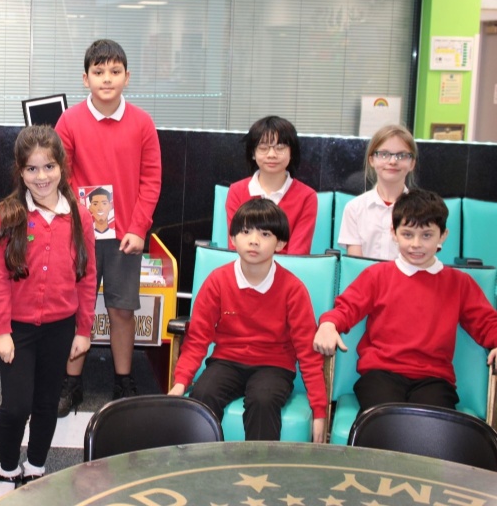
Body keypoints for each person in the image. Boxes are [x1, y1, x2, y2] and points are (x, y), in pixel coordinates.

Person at [314, 189, 497, 413]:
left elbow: (486, 322)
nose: (416, 244)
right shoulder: (377, 275)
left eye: (427, 235)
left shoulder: (459, 283)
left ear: (443, 235)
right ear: (394, 233)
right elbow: (346, 308)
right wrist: (329, 324)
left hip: (434, 379)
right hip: (380, 373)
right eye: (408, 234)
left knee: (431, 426)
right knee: (385, 420)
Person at [0, 126, 96, 499]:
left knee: (47, 403)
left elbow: (87, 275)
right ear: (20, 171)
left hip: (60, 328)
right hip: (17, 330)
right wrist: (1, 330)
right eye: (32, 169)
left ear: (62, 166)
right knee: (16, 406)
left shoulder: (80, 216)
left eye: (49, 166)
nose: (41, 176)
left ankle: (35, 468)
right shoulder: (8, 215)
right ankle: (7, 470)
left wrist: (84, 329)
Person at [54, 38, 161, 414]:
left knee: (122, 309)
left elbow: (151, 180)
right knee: (75, 308)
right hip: (80, 234)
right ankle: (71, 383)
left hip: (125, 237)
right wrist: (75, 222)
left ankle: (123, 380)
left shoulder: (142, 123)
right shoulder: (69, 121)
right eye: (98, 72)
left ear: (127, 77)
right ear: (85, 79)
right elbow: (59, 176)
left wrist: (138, 227)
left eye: (115, 71)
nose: (107, 78)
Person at [168, 199, 327, 442]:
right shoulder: (217, 281)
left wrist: (319, 411)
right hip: (227, 361)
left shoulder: (293, 289)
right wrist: (180, 382)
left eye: (265, 234)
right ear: (232, 238)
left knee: (263, 400)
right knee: (203, 394)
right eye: (245, 232)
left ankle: (258, 464)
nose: (254, 240)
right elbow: (198, 337)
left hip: (274, 365)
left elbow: (308, 351)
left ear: (280, 243)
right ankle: (201, 462)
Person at [225, 115, 316, 255]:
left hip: (287, 268)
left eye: (280, 147)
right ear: (253, 153)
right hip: (245, 266)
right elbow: (235, 245)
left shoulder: (307, 196)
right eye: (263, 148)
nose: (272, 154)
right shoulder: (237, 191)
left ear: (292, 152)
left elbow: (298, 254)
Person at [337, 124, 417, 260]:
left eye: (402, 155)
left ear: (412, 163)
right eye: (384, 154)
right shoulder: (355, 208)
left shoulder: (423, 210)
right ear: (372, 160)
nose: (392, 161)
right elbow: (355, 264)